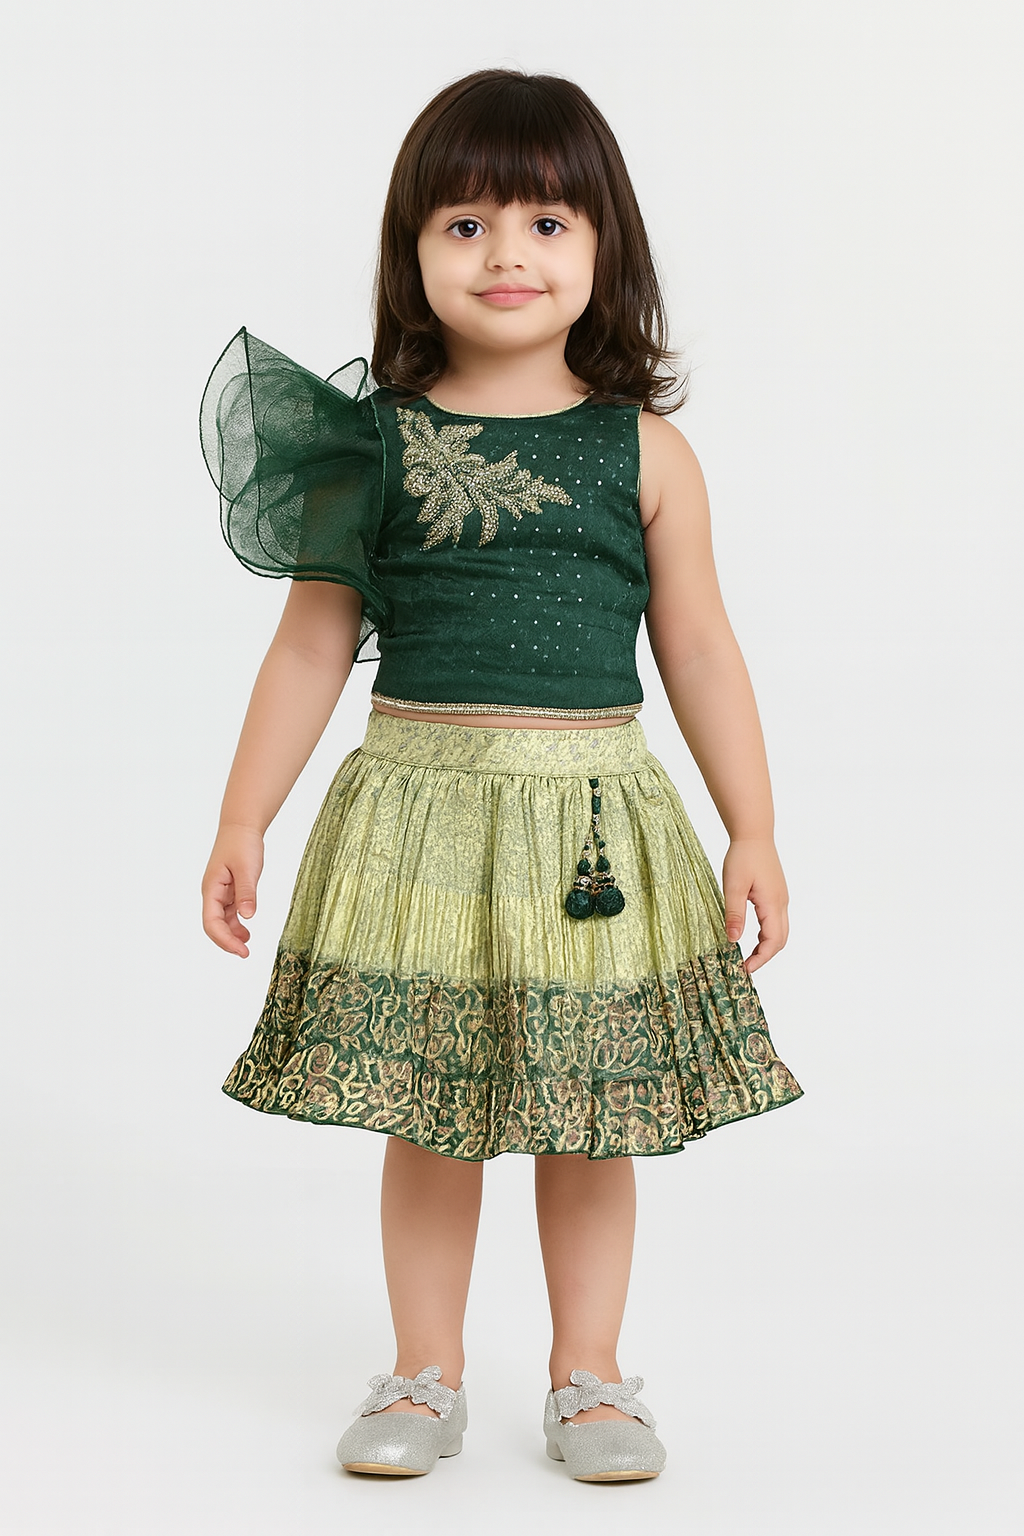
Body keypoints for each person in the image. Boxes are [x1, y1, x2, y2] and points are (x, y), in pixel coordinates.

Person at [200, 68, 802, 1484]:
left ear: (605, 249)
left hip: (591, 828)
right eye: (464, 225)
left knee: (590, 1117)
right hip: (419, 818)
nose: (506, 254)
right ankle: (426, 1371)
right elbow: (310, 646)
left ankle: (591, 1377)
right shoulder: (367, 447)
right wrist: (242, 815)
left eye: (545, 222)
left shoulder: (646, 451)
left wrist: (755, 827)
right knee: (430, 1109)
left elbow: (699, 648)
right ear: (412, 251)